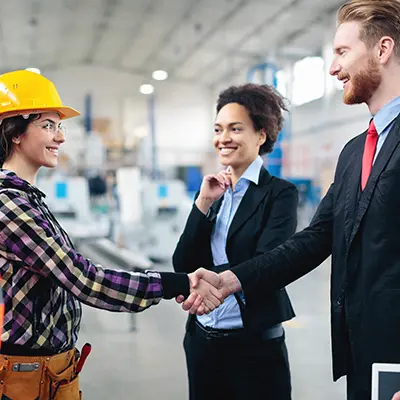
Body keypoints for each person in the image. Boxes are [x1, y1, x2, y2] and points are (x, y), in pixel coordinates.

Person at [182, 0, 400, 399]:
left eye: (342, 52)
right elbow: (314, 239)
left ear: (382, 50)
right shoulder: (354, 152)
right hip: (364, 355)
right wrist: (230, 280)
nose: (333, 68)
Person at [0, 70, 222, 400]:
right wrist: (175, 282)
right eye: (48, 125)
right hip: (24, 378)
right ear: (16, 132)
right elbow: (82, 279)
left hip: (48, 371)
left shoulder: (28, 199)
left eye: (60, 126)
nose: (60, 137)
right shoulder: (9, 204)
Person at [173, 83, 298, 400]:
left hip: (253, 348)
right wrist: (202, 202)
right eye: (218, 129)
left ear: (262, 134)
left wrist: (209, 281)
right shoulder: (213, 193)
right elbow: (183, 263)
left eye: (235, 128)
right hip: (203, 341)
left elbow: (269, 262)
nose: (223, 138)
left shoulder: (279, 194)